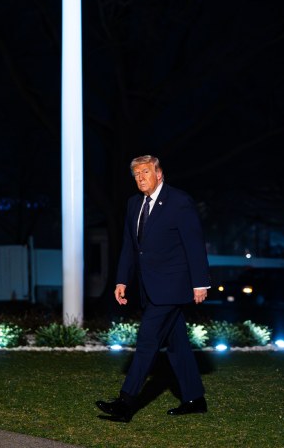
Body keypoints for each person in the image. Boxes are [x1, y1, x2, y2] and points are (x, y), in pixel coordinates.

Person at [95, 155, 212, 422]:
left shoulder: (179, 201)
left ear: (159, 174)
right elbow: (130, 246)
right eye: (136, 174)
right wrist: (121, 280)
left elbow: (194, 243)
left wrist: (200, 283)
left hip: (173, 285)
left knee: (147, 341)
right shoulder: (133, 204)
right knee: (177, 345)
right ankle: (195, 399)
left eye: (145, 172)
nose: (140, 178)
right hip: (149, 287)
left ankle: (126, 404)